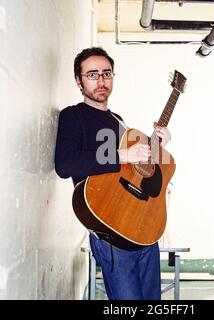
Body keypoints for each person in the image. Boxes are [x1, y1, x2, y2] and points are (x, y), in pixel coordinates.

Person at [54, 47, 171, 300]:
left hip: (144, 231)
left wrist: (159, 144)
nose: (101, 81)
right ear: (78, 80)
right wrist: (122, 155)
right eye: (92, 74)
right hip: (111, 233)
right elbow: (65, 164)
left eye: (106, 74)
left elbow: (132, 171)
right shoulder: (73, 116)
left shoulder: (118, 121)